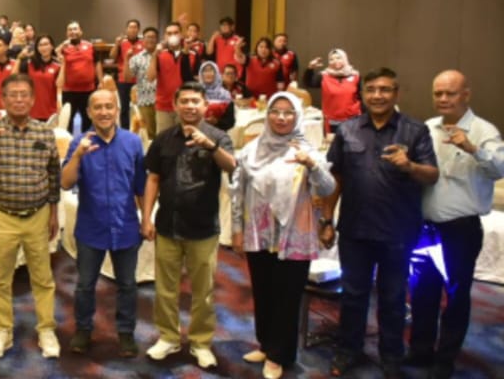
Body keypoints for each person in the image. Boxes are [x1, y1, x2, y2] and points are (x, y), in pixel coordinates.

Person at [320, 67, 438, 379]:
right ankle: (348, 351)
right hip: (355, 231)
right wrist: (326, 220)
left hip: (398, 232)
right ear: (362, 94)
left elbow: (432, 174)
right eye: (371, 89)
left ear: (396, 94)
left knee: (393, 297)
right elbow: (336, 179)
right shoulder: (347, 130)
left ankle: (391, 357)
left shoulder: (415, 131)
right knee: (354, 295)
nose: (377, 95)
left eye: (385, 89)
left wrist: (410, 165)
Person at [231, 92, 336, 379]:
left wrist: (312, 165)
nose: (281, 117)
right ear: (267, 115)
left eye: (289, 112)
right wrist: (237, 230)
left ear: (298, 116)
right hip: (259, 233)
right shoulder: (251, 150)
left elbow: (327, 188)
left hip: (294, 236)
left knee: (287, 297)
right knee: (263, 292)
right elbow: (237, 192)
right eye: (276, 111)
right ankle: (266, 345)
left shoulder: (306, 150)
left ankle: (280, 355)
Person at [409, 70, 504, 378]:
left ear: (466, 95)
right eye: (438, 93)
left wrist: (473, 149)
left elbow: (500, 169)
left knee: (456, 295)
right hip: (425, 228)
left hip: (460, 231)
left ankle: (445, 358)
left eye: (450, 93)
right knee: (423, 292)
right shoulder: (427, 127)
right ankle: (421, 352)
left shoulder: (483, 130)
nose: (443, 99)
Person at [0, 73, 61, 359]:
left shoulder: (44, 132)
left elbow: (54, 173)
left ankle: (46, 329)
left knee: (42, 278)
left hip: (38, 215)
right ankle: (2, 329)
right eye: (12, 95)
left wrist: (53, 212)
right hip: (3, 215)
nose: (19, 99)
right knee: (0, 278)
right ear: (3, 100)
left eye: (24, 95)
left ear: (32, 99)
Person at [141, 82, 236, 369]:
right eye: (185, 101)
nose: (190, 106)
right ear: (175, 105)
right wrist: (145, 216)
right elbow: (153, 179)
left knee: (203, 291)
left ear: (206, 106)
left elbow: (232, 166)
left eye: (196, 101)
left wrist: (211, 146)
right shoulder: (164, 138)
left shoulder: (218, 136)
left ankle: (200, 342)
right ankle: (168, 337)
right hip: (168, 225)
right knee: (165, 289)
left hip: (204, 227)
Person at [61, 90, 145, 358]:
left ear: (117, 109)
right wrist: (78, 156)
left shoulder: (132, 142)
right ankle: (83, 329)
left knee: (127, 284)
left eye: (109, 106)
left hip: (126, 225)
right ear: (89, 112)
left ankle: (125, 333)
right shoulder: (79, 142)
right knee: (85, 284)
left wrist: (147, 219)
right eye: (98, 107)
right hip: (91, 226)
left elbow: (141, 186)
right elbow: (65, 182)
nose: (104, 112)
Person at [148, 23, 201, 135]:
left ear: (181, 35)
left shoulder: (193, 54)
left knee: (186, 141)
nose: (173, 35)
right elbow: (150, 78)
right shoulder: (159, 55)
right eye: (169, 33)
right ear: (165, 37)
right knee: (163, 142)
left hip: (186, 106)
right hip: (163, 106)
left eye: (176, 33)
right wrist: (154, 55)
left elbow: (197, 80)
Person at [303, 48, 362, 133]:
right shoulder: (324, 76)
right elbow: (308, 83)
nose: (335, 61)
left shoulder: (355, 76)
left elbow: (360, 97)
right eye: (331, 59)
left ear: (345, 59)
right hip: (333, 121)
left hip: (353, 120)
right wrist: (310, 68)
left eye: (338, 58)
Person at [61, 21, 102, 133]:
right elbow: (52, 57)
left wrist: (101, 82)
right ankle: (68, 146)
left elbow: (97, 63)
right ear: (66, 33)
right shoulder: (63, 48)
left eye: (75, 29)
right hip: (69, 91)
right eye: (70, 29)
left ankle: (88, 146)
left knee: (88, 120)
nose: (73, 32)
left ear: (81, 31)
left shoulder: (90, 46)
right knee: (67, 121)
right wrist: (61, 46)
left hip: (88, 90)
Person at [109, 19, 144, 131]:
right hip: (123, 80)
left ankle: (139, 129)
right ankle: (124, 130)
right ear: (126, 29)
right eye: (130, 27)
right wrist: (116, 45)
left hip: (140, 80)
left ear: (138, 30)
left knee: (140, 107)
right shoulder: (122, 43)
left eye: (135, 27)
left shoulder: (143, 43)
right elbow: (112, 57)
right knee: (124, 108)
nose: (132, 30)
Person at [19, 35, 62, 123]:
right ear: (37, 48)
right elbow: (14, 77)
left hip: (50, 111)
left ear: (52, 46)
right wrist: (19, 58)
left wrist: (64, 63)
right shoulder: (29, 63)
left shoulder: (57, 65)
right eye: (40, 45)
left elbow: (60, 86)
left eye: (46, 44)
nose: (43, 47)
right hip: (30, 110)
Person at [127, 27, 159, 140]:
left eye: (153, 37)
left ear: (157, 39)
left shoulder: (164, 55)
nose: (150, 40)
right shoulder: (136, 58)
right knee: (148, 134)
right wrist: (127, 59)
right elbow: (127, 77)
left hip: (163, 101)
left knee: (163, 133)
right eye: (147, 37)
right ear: (143, 40)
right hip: (145, 100)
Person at [198, 61, 236, 131]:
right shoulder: (196, 93)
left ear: (217, 74)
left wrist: (216, 122)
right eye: (205, 71)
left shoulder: (225, 94)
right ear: (201, 74)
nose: (208, 74)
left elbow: (230, 122)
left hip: (219, 134)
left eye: (211, 70)